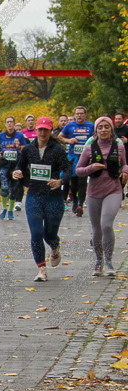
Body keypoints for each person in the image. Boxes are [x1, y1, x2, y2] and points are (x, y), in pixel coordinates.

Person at [12, 117, 70, 281]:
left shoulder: (57, 150)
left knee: (49, 234)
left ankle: (55, 245)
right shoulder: (28, 149)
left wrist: (60, 181)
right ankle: (41, 269)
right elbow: (20, 167)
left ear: (50, 131)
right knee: (36, 232)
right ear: (36, 130)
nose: (43, 132)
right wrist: (17, 173)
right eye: (40, 129)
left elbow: (67, 170)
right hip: (34, 195)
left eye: (46, 129)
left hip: (53, 197)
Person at [76, 116, 128, 276]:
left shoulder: (118, 147)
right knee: (96, 228)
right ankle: (99, 261)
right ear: (96, 130)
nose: (104, 130)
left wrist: (125, 171)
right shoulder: (89, 148)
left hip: (113, 189)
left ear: (111, 129)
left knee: (106, 224)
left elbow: (124, 163)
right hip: (94, 191)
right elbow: (78, 170)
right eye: (100, 127)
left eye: (107, 127)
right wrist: (90, 168)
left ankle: (109, 261)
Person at [58, 106, 95, 216]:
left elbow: (97, 137)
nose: (79, 115)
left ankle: (80, 204)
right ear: (74, 115)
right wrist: (69, 140)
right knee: (73, 182)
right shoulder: (70, 126)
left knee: (83, 181)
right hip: (73, 157)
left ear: (85, 115)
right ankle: (74, 200)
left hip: (86, 157)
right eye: (77, 113)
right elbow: (59, 137)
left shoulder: (91, 126)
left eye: (81, 113)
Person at [0, 116, 27, 220]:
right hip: (4, 165)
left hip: (15, 165)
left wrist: (18, 147)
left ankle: (10, 211)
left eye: (11, 122)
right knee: (4, 188)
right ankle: (4, 208)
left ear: (14, 124)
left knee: (13, 190)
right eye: (7, 122)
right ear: (5, 124)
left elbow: (24, 150)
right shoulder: (0, 136)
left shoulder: (20, 136)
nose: (9, 124)